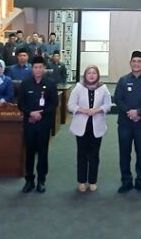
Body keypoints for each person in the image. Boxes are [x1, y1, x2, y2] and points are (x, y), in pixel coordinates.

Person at [114, 50, 141, 194]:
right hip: (125, 124)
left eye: (139, 61)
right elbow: (118, 99)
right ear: (130, 63)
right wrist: (130, 112)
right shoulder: (123, 80)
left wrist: (138, 112)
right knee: (124, 153)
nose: (136, 64)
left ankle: (140, 181)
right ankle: (126, 181)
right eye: (134, 61)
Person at [68, 65, 111, 192]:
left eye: (94, 73)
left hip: (97, 125)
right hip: (81, 125)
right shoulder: (78, 87)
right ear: (85, 75)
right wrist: (83, 110)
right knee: (82, 154)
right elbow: (70, 105)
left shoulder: (103, 88)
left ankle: (92, 181)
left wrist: (97, 110)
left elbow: (108, 105)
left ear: (98, 75)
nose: (91, 75)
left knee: (94, 154)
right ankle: (81, 181)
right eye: (89, 73)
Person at [19, 56, 59, 193]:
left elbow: (54, 103)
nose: (38, 70)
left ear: (44, 68)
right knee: (29, 152)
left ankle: (41, 181)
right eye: (35, 67)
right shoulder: (25, 84)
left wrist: (41, 114)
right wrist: (30, 113)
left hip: (44, 123)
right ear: (32, 68)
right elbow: (21, 104)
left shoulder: (50, 84)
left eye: (40, 67)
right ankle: (29, 180)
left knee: (43, 153)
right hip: (29, 122)